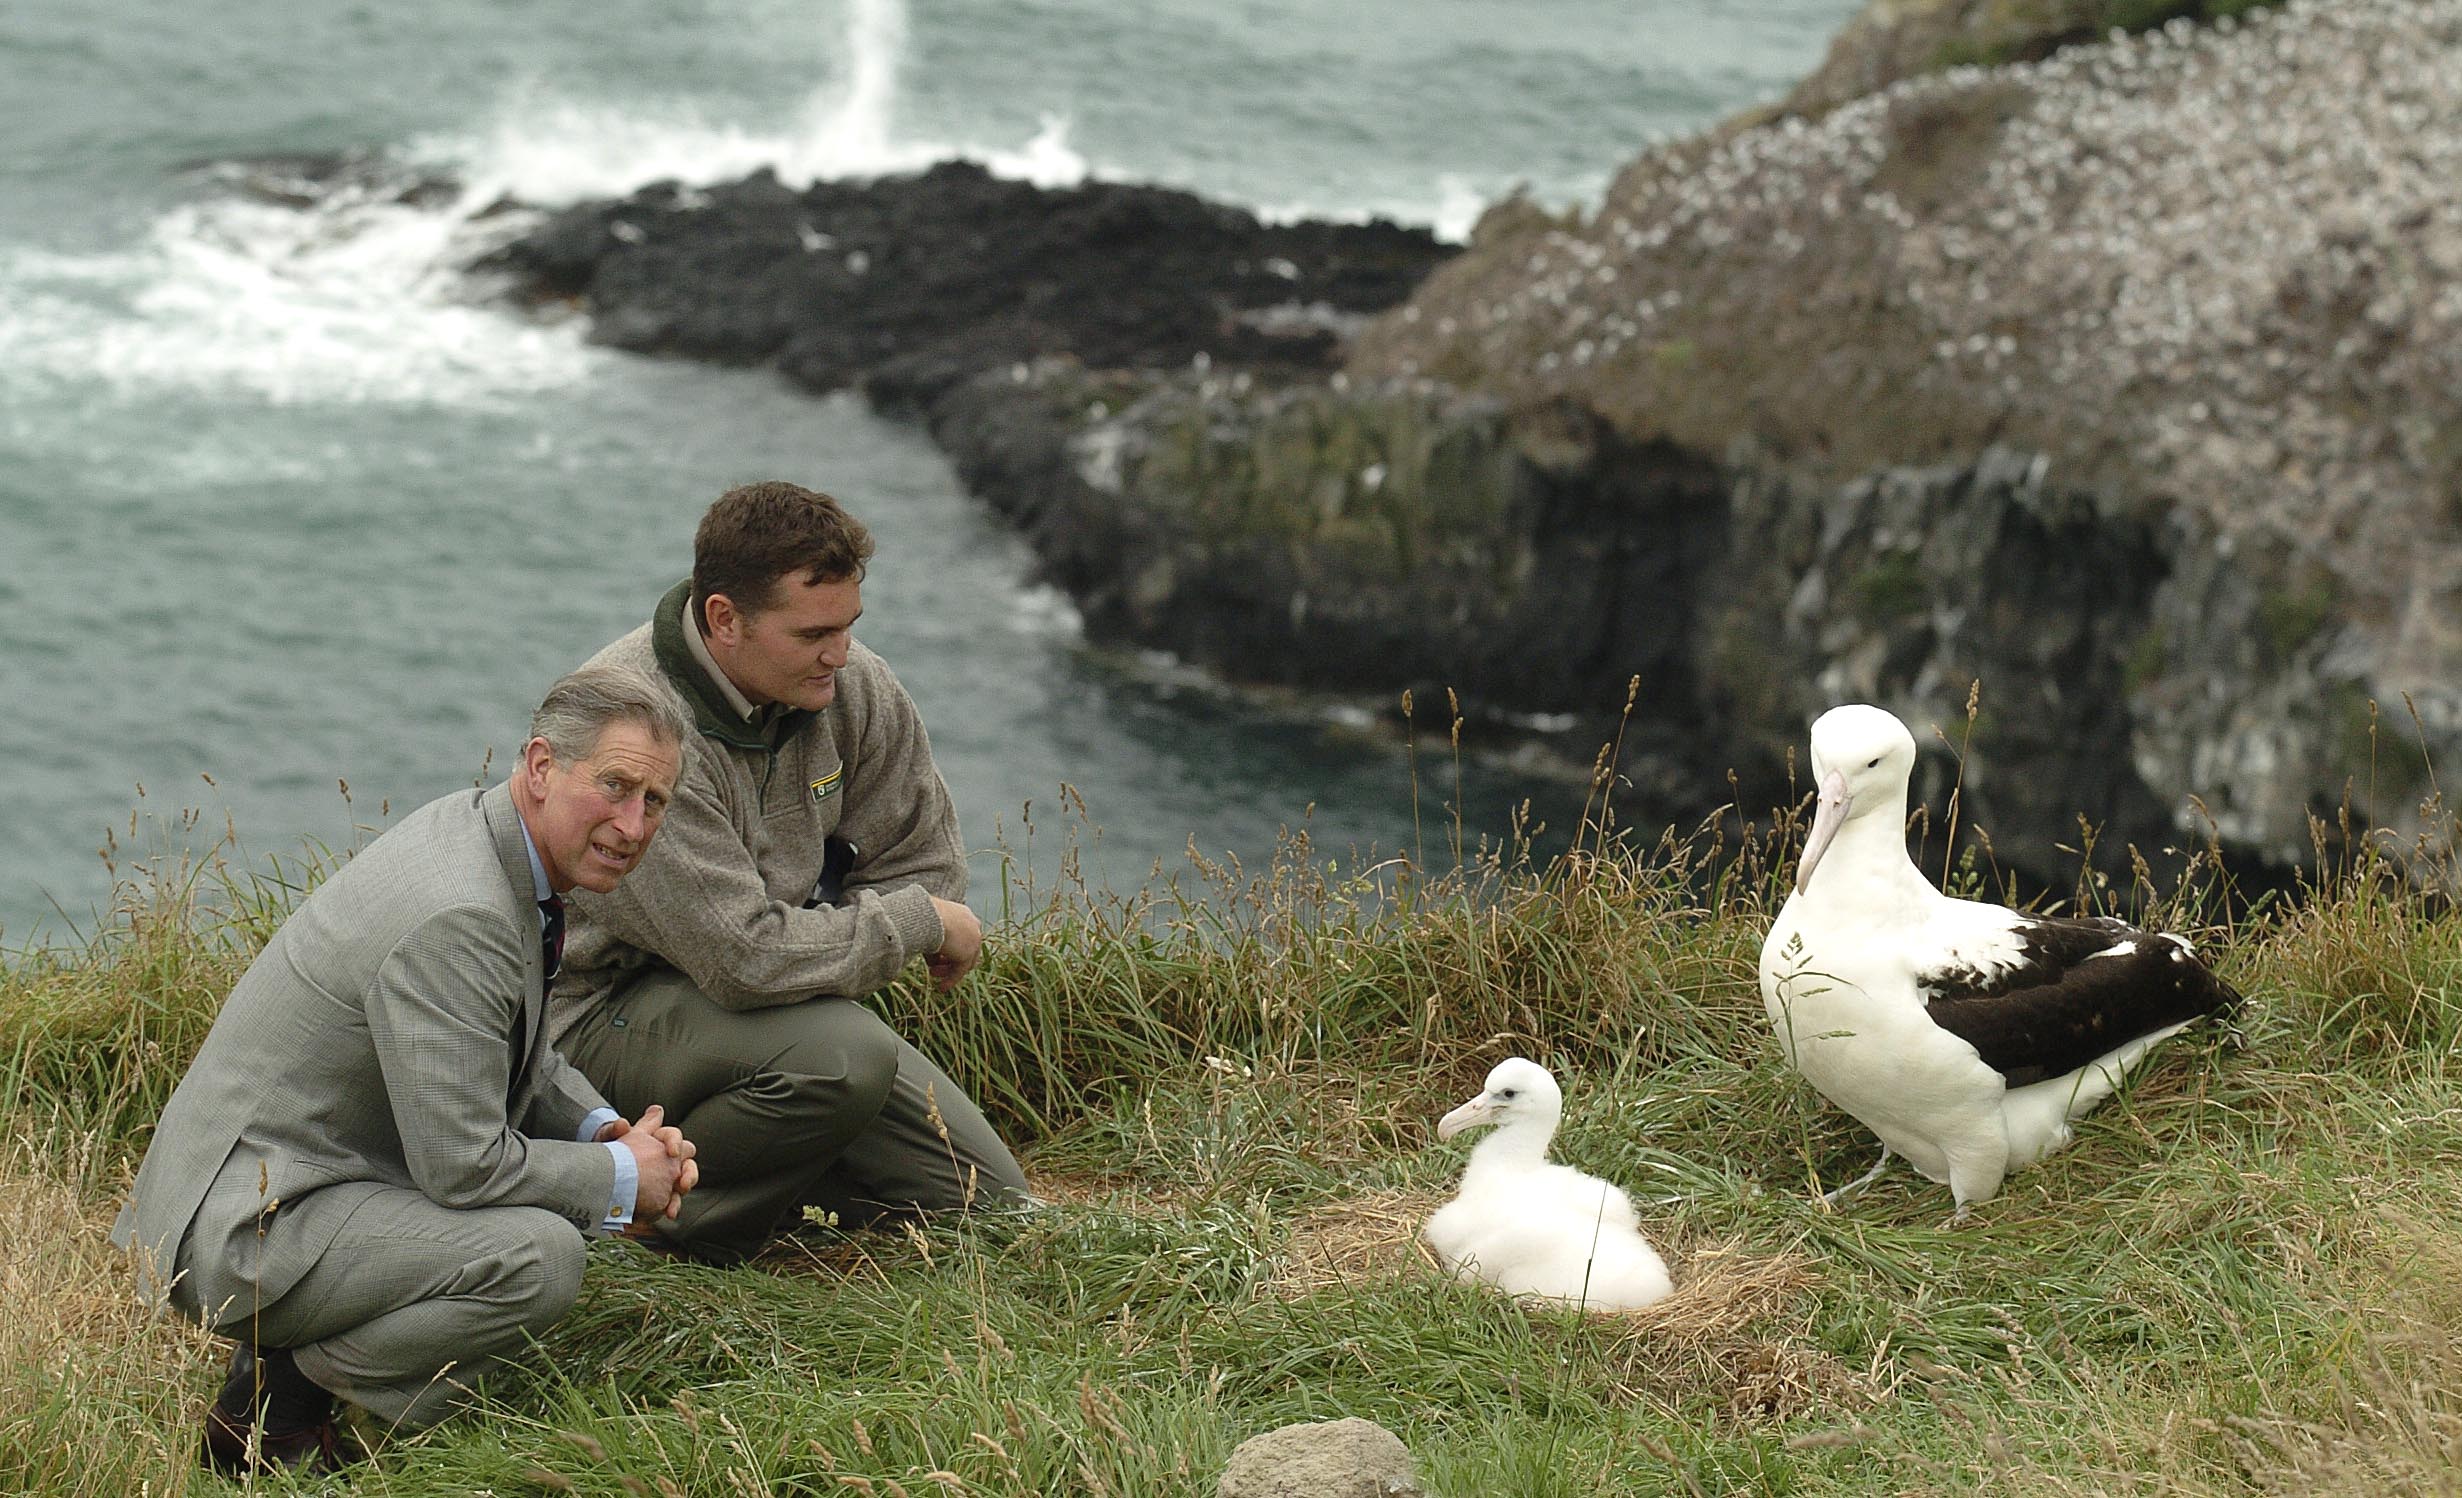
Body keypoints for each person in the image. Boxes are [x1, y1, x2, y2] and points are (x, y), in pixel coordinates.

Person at [113, 663, 702, 1474]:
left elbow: (510, 1042)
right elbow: (463, 1169)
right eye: (615, 786)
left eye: (655, 802)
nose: (633, 825)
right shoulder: (463, 909)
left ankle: (285, 1379)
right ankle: (275, 1412)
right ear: (540, 767)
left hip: (284, 1178)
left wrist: (603, 1130)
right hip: (243, 1230)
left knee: (551, 1218)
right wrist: (618, 1179)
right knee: (540, 1258)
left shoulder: (485, 842)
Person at [551, 479, 1029, 1266]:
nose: (840, 655)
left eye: (848, 626)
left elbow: (926, 860)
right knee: (843, 1061)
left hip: (773, 1006)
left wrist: (821, 944)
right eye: (813, 632)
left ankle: (769, 1169)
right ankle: (643, 1227)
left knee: (988, 1207)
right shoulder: (637, 729)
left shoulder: (848, 686)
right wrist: (906, 927)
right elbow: (744, 959)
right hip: (596, 1015)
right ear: (724, 620)